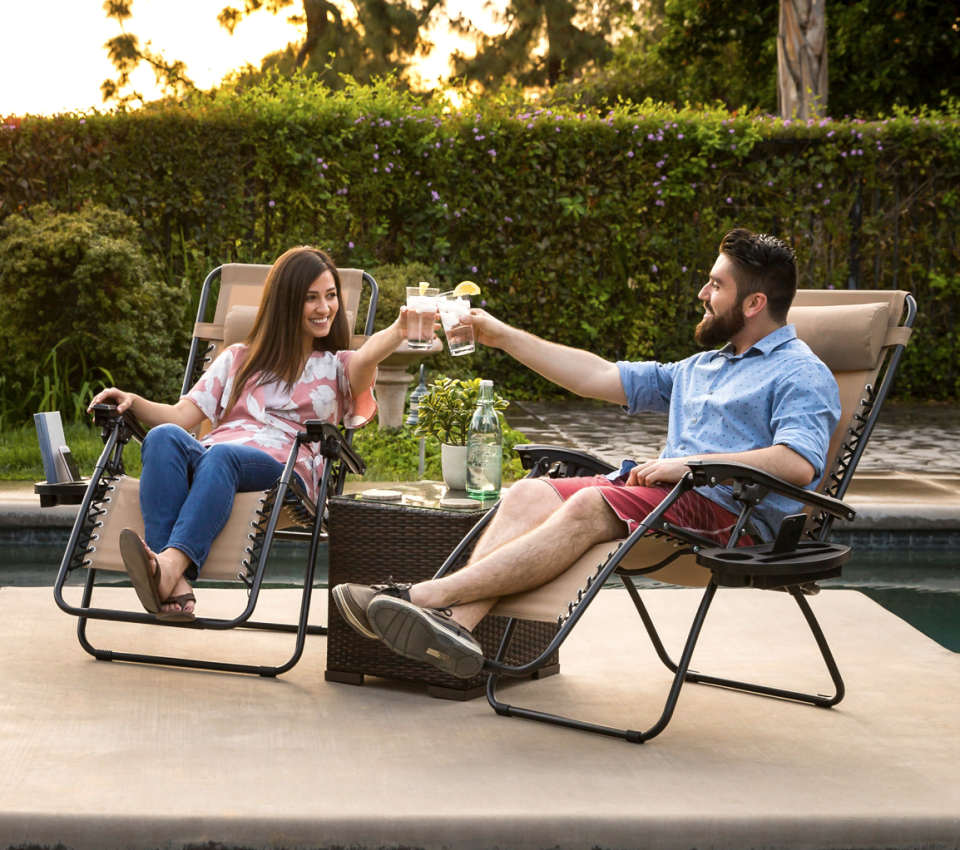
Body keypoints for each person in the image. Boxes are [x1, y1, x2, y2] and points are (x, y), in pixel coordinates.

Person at [332, 228, 842, 679]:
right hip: (666, 500)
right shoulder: (702, 366)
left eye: (717, 284)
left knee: (591, 505)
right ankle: (454, 628)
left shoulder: (800, 372)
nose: (703, 294)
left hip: (732, 517)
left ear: (753, 304)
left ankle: (419, 596)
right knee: (532, 492)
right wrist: (499, 335)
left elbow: (797, 462)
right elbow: (597, 376)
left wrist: (691, 466)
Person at [89, 245, 409, 622]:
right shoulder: (239, 357)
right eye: (310, 298)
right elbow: (179, 415)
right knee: (164, 438)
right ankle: (170, 578)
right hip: (214, 461)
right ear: (286, 302)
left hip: (283, 470)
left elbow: (368, 355)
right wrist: (131, 400)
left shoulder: (336, 366)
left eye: (331, 295)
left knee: (222, 456)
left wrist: (401, 329)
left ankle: (169, 565)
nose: (325, 308)